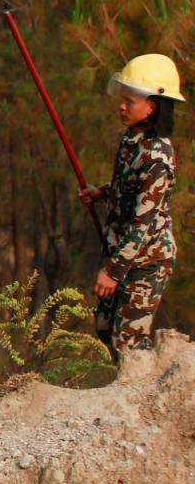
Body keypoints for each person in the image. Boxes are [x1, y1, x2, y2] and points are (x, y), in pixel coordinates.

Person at [81, 54, 181, 362]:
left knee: (129, 342)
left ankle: (144, 399)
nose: (122, 107)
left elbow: (143, 223)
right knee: (104, 328)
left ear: (152, 106)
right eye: (122, 100)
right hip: (122, 254)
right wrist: (102, 192)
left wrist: (112, 272)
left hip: (146, 262)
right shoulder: (131, 139)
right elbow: (129, 187)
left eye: (130, 101)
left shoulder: (158, 157)